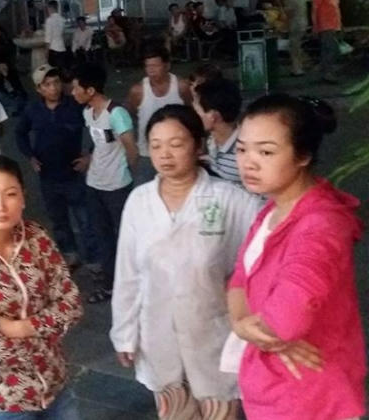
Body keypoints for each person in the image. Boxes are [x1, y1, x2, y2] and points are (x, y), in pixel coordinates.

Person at [111, 105, 259, 420]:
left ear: (198, 145)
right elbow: (128, 275)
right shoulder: (139, 201)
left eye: (176, 144)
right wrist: (124, 333)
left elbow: (261, 259)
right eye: (156, 145)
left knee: (220, 411)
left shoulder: (230, 200)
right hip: (158, 336)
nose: (165, 154)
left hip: (215, 336)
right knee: (175, 411)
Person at [227, 94, 366, 420]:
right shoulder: (273, 210)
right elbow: (238, 281)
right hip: (275, 388)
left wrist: (257, 329)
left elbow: (283, 321)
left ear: (303, 155)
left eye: (266, 152)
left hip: (311, 398)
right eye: (242, 149)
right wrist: (243, 325)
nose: (248, 163)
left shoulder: (320, 226)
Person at [0, 154, 83, 419]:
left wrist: (21, 328)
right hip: (5, 398)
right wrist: (47, 329)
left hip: (55, 381)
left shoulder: (36, 238)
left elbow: (72, 305)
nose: (0, 206)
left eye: (10, 194)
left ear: (23, 197)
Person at [15, 64, 98, 268]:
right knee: (59, 221)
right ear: (39, 89)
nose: (53, 88)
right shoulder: (33, 110)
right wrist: (30, 157)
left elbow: (98, 127)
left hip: (73, 174)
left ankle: (93, 259)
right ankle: (70, 255)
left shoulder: (75, 105)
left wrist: (90, 156)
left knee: (85, 220)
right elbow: (20, 133)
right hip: (48, 177)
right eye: (47, 84)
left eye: (56, 82)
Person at [71, 63, 138, 304]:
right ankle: (110, 285)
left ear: (90, 90)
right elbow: (99, 144)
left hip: (117, 186)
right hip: (95, 184)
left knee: (126, 236)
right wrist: (90, 159)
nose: (73, 92)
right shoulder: (88, 113)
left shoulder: (116, 114)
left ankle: (133, 285)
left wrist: (125, 173)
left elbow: (131, 150)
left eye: (76, 88)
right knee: (103, 236)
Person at [126, 45, 192, 185]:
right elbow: (131, 113)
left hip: (177, 152)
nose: (151, 70)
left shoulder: (181, 87)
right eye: (148, 66)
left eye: (155, 66)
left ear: (167, 66)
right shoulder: (138, 91)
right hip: (147, 154)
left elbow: (191, 112)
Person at [192, 78, 243, 184]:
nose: (193, 116)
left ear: (213, 116)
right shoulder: (211, 140)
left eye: (197, 111)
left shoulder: (243, 151)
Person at [312, 0, 341, 83]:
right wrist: (315, 26)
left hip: (333, 25)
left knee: (327, 49)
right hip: (325, 25)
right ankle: (327, 71)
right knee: (332, 49)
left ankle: (326, 71)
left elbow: (336, 9)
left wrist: (339, 25)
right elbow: (315, 9)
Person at [284, 0, 307, 76]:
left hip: (295, 24)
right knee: (298, 46)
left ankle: (296, 69)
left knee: (294, 47)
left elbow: (289, 12)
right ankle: (300, 66)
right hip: (303, 22)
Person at [44, 0, 68, 69]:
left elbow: (48, 38)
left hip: (53, 49)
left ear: (50, 8)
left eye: (47, 8)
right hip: (62, 48)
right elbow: (64, 35)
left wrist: (46, 52)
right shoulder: (62, 20)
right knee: (62, 70)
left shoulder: (49, 20)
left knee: (54, 71)